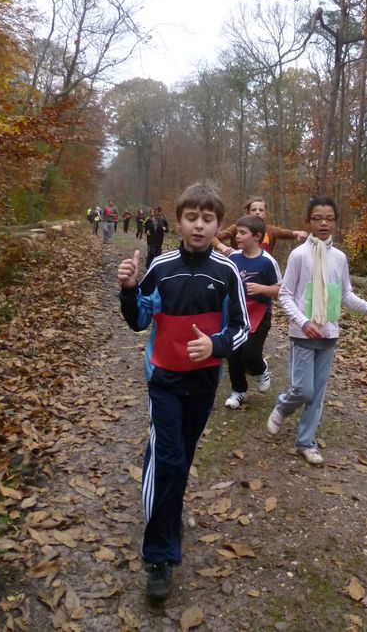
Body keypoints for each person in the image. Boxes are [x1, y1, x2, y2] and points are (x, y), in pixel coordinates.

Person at [117, 182, 250, 603]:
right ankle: (159, 555)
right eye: (191, 217)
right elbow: (139, 319)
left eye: (207, 218)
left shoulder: (226, 272)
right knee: (169, 459)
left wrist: (217, 345)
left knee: (182, 458)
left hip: (204, 383)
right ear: (178, 222)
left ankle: (169, 509)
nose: (198, 225)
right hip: (165, 383)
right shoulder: (162, 268)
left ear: (218, 226)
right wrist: (128, 288)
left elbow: (242, 328)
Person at [266, 196, 367, 466]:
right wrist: (304, 322)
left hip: (328, 335)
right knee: (303, 390)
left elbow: (345, 294)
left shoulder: (339, 258)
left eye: (329, 218)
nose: (323, 223)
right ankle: (283, 406)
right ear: (308, 221)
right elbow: (285, 295)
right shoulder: (298, 255)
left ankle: (306, 442)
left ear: (335, 222)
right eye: (317, 218)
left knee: (317, 394)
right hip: (302, 334)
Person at [224, 214, 282, 409]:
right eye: (237, 232)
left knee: (249, 354)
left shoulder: (267, 262)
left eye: (242, 233)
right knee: (233, 353)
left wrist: (262, 289)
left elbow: (281, 289)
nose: (237, 236)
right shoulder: (233, 257)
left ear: (257, 236)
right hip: (237, 314)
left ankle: (261, 368)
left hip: (260, 315)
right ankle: (238, 391)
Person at [213, 196, 307, 256]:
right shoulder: (236, 228)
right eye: (254, 210)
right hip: (240, 269)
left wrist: (298, 233)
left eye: (261, 210)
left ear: (265, 214)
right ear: (247, 213)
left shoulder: (270, 230)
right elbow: (212, 237)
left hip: (262, 270)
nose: (257, 212)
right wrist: (222, 247)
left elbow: (286, 233)